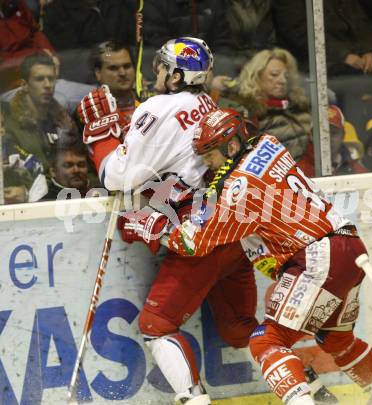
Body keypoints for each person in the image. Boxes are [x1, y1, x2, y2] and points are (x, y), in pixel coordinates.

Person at [119, 108, 372, 405]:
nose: (205, 162)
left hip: (318, 257)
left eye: (209, 154)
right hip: (348, 245)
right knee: (337, 339)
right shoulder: (268, 144)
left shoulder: (239, 190)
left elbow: (194, 242)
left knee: (265, 340)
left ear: (231, 146)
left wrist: (153, 226)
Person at [77, 37, 259, 405]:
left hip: (199, 240)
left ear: (175, 75)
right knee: (239, 330)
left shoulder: (159, 107)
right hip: (235, 236)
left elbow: (116, 176)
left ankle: (195, 400)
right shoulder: (207, 102)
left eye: (161, 66)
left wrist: (101, 134)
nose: (154, 71)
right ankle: (305, 377)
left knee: (156, 326)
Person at [1, 53, 77, 202]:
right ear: (24, 85)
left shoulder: (65, 123)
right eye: (40, 79)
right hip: (30, 205)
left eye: (51, 78)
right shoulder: (9, 124)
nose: (48, 85)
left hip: (67, 200)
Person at [234, 48, 311, 161]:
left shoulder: (299, 107)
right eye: (274, 75)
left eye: (286, 76)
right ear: (256, 76)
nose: (283, 80)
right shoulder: (249, 117)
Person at [0, 0, 57, 92]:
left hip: (39, 66)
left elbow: (35, 32)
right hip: (13, 83)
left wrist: (50, 54)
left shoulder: (16, 5)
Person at [297, 105, 368, 177]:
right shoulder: (298, 170)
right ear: (311, 135)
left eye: (333, 133)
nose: (327, 139)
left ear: (343, 135)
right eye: (322, 133)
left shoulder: (356, 170)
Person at [88, 41, 138, 122]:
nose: (123, 73)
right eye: (113, 68)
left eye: (127, 66)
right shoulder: (88, 111)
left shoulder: (150, 103)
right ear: (98, 73)